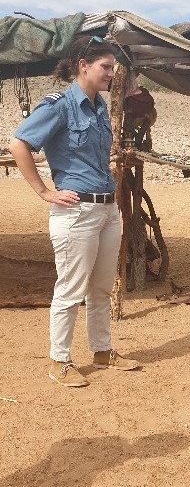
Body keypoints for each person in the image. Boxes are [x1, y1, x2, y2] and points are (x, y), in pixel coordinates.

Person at [9, 35, 140, 387]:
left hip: (107, 209)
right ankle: (60, 360)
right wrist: (43, 191)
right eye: (106, 67)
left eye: (112, 67)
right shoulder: (58, 106)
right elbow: (18, 142)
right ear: (83, 66)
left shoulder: (97, 105)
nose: (112, 73)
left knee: (100, 288)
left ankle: (101, 352)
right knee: (70, 289)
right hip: (76, 211)